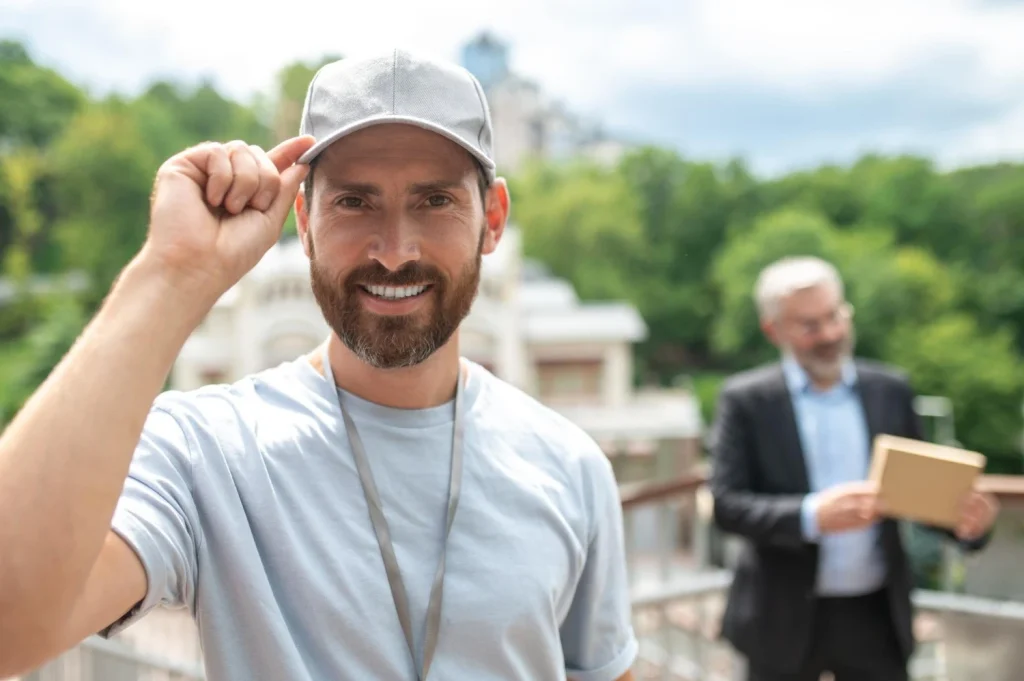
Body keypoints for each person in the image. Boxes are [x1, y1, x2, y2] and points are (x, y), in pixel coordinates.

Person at [0, 49, 639, 681]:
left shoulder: (570, 466)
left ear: (492, 219)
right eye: (354, 203)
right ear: (302, 221)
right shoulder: (209, 453)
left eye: (435, 201)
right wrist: (170, 277)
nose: (394, 252)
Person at [708, 255, 1000, 681]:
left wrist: (967, 524)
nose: (828, 334)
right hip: (781, 617)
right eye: (809, 325)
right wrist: (812, 516)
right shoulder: (745, 400)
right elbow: (726, 505)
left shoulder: (891, 390)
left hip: (876, 614)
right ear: (773, 330)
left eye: (834, 316)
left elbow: (919, 493)